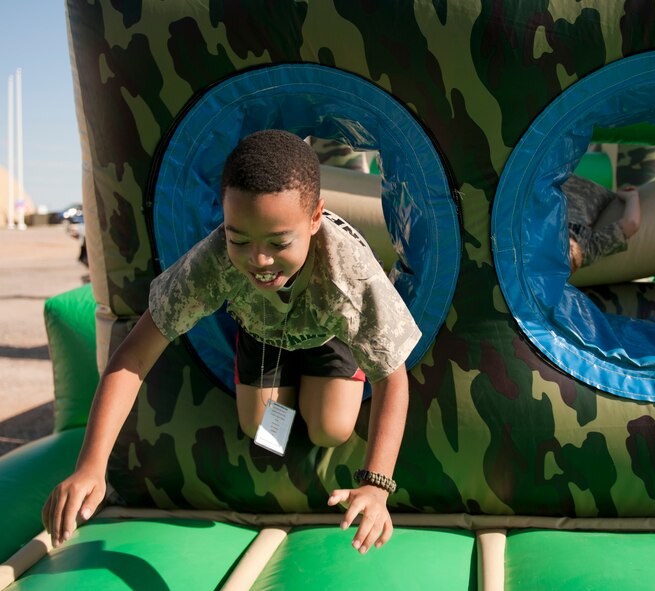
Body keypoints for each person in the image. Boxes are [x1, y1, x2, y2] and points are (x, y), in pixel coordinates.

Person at [42, 130, 421, 554]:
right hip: (263, 332)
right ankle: (274, 375)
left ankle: (318, 382)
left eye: (278, 242)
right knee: (263, 431)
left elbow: (392, 378)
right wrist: (92, 464)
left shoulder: (349, 276)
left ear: (315, 218)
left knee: (330, 429)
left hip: (328, 332)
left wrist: (376, 484)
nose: (259, 260)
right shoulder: (213, 261)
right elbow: (133, 356)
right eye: (239, 238)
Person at [563, 174, 641, 274]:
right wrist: (632, 197)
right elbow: (631, 224)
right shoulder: (587, 250)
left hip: (558, 180)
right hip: (592, 192)